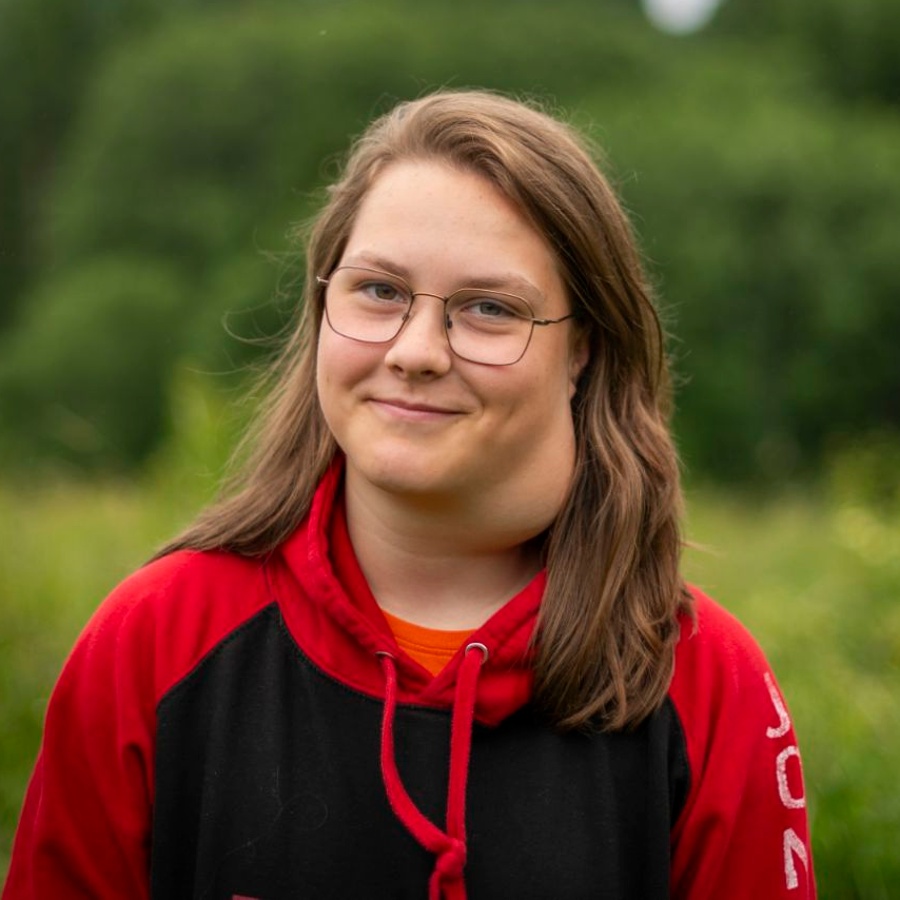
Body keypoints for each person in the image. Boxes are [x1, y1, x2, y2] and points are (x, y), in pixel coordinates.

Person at [3, 90, 815, 899]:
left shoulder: (706, 683)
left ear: (582, 352)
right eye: (380, 291)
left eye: (489, 308)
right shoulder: (156, 640)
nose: (417, 351)